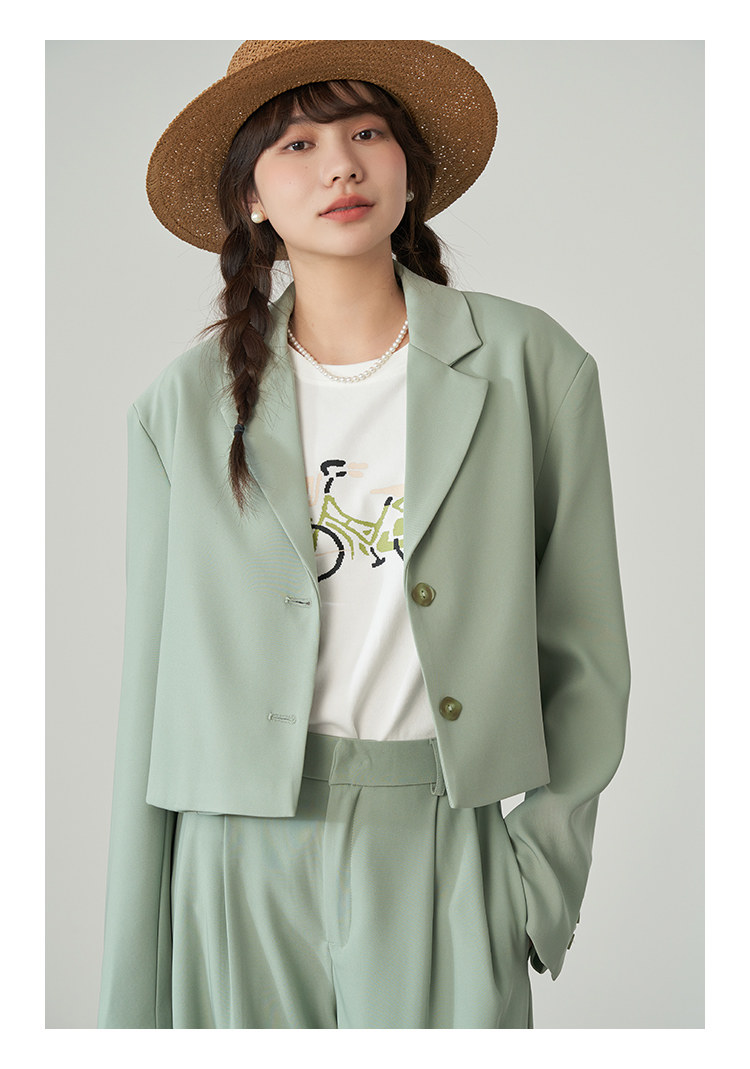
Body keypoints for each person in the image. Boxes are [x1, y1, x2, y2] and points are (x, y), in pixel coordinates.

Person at [97, 40, 631, 1030]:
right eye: (297, 144)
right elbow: (152, 685)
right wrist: (135, 957)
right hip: (233, 857)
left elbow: (586, 642)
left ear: (407, 171)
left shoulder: (529, 366)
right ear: (251, 197)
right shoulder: (183, 406)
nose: (340, 164)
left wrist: (538, 876)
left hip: (440, 834)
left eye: (367, 132)